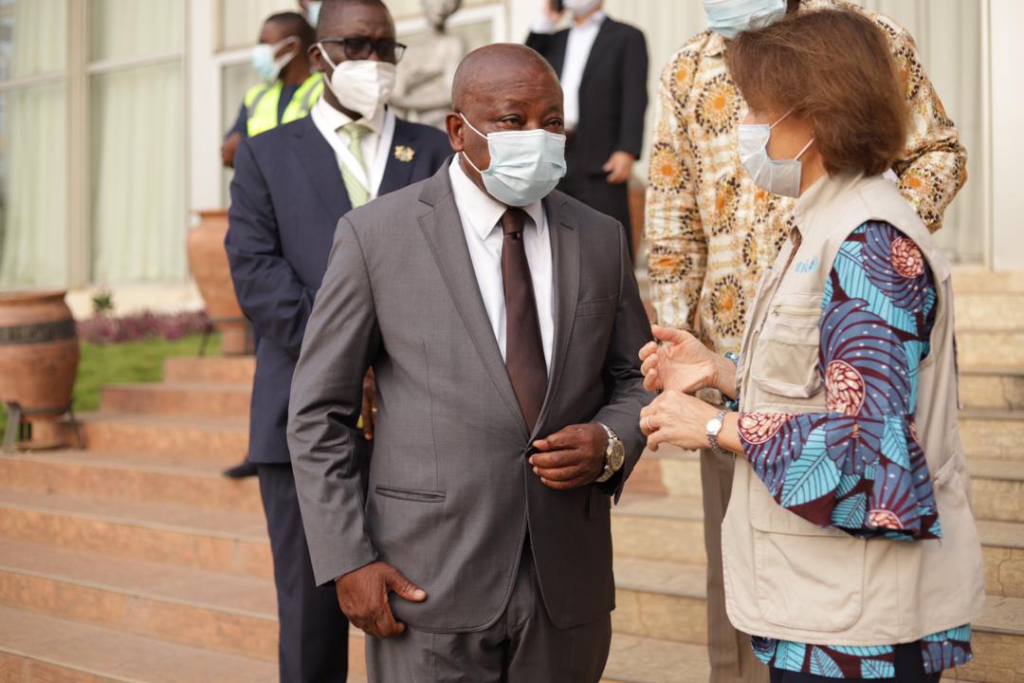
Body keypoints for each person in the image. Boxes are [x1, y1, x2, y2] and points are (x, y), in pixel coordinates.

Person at [639, 8, 985, 683]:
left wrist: (713, 424)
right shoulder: (823, 225)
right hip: (829, 608)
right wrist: (724, 370)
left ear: (813, 118)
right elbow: (832, 380)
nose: (746, 129)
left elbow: (868, 455)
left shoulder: (870, 245)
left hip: (863, 632)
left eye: (757, 110)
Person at [287, 43, 652, 682]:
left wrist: (610, 442)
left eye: (552, 121)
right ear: (459, 130)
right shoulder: (375, 236)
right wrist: (348, 559)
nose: (537, 138)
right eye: (513, 121)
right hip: (424, 584)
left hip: (568, 586)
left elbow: (633, 378)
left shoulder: (599, 236)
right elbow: (319, 412)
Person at [225, 0, 451, 679]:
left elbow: (454, 268)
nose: (373, 62)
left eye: (386, 48)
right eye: (356, 45)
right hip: (299, 415)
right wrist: (344, 361)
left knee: (420, 610)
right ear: (318, 53)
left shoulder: (435, 148)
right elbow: (257, 272)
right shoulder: (266, 155)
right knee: (311, 625)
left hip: (418, 420)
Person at [526, 0, 648, 259]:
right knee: (554, 236)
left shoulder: (627, 37)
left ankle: (617, 298)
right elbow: (523, 70)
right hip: (554, 149)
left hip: (601, 153)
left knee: (608, 239)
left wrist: (627, 149)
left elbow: (635, 95)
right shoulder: (554, 38)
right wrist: (545, 21)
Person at [221, 12, 324, 170]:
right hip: (262, 192)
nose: (259, 51)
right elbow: (229, 154)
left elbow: (319, 150)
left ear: (291, 46)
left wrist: (253, 151)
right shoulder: (256, 97)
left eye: (264, 43)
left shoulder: (324, 90)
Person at [390, 0, 465, 130]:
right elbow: (397, 95)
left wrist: (403, 101)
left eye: (450, 1)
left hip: (444, 126)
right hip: (417, 129)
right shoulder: (409, 50)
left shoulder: (452, 44)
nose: (442, 5)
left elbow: (451, 95)